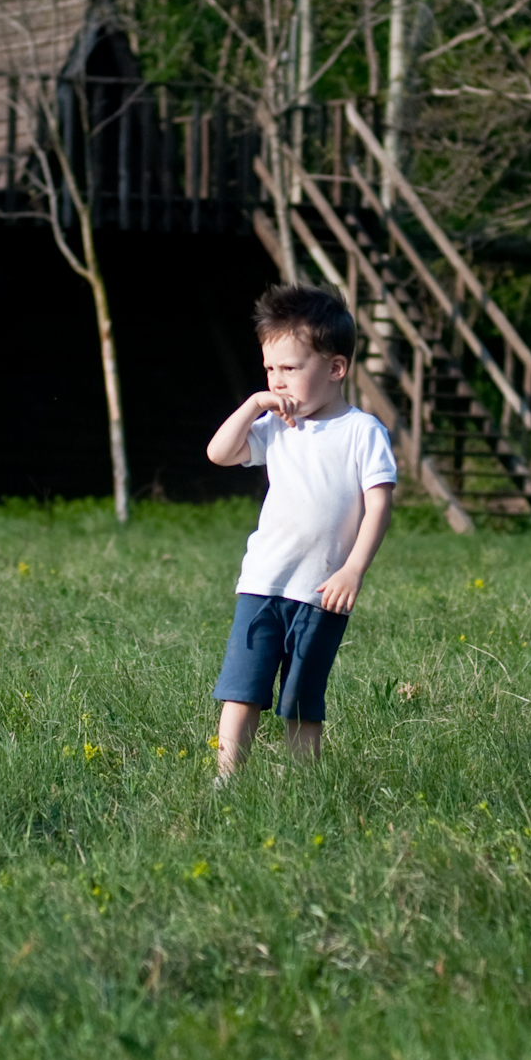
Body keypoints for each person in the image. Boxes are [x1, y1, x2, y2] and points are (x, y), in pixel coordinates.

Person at [205, 285, 397, 776]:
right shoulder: (277, 426)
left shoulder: (363, 432)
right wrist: (253, 405)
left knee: (302, 699)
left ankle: (301, 786)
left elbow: (378, 506)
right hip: (263, 583)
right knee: (242, 688)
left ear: (335, 368)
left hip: (323, 591)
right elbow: (220, 453)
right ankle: (227, 778)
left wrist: (353, 570)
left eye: (290, 369)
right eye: (270, 369)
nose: (278, 380)